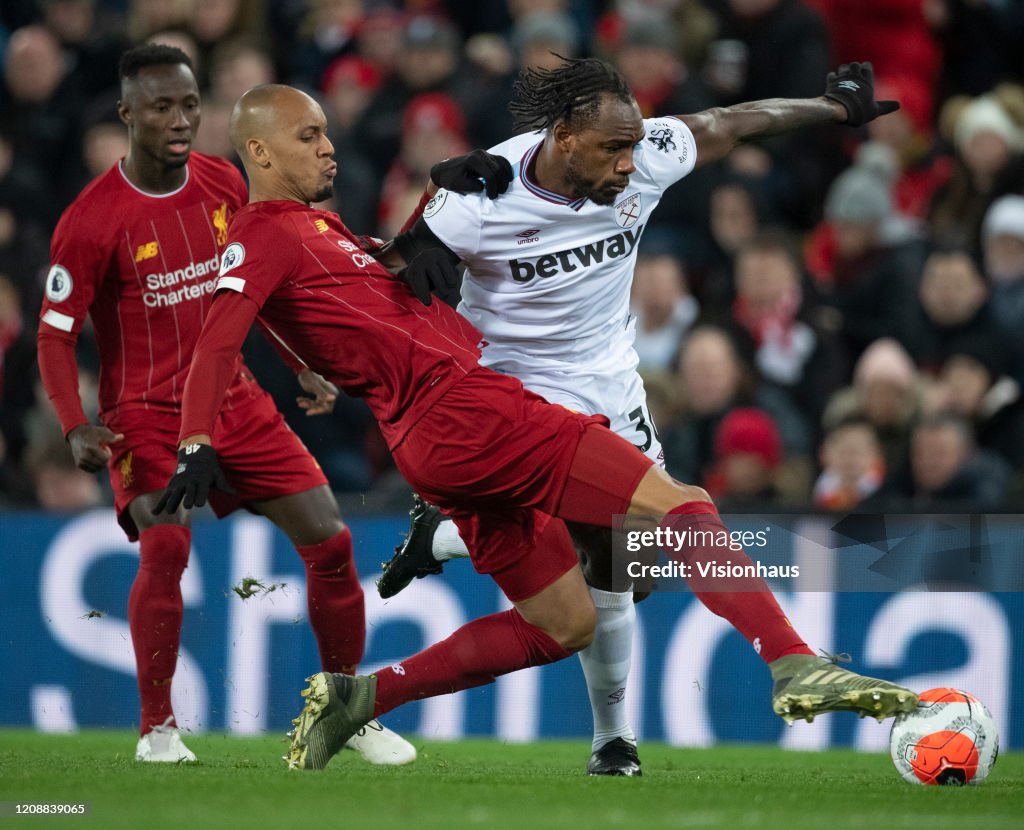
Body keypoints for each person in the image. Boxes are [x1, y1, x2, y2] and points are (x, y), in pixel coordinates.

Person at [155, 82, 918, 772]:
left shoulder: (314, 230)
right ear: (256, 150)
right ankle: (792, 662)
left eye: (326, 133)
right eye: (308, 137)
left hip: (433, 445)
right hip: (477, 411)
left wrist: (429, 201)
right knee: (684, 507)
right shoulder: (262, 235)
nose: (328, 148)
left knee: (565, 624)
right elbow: (219, 336)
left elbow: (378, 291)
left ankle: (363, 697)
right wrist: (196, 442)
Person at [379, 56, 885, 774]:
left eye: (634, 145)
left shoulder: (645, 155)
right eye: (612, 149)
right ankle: (616, 740)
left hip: (612, 389)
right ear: (562, 136)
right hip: (513, 402)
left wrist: (833, 107)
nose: (628, 163)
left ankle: (448, 540)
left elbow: (731, 123)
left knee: (629, 570)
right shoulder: (478, 191)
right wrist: (416, 242)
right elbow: (383, 279)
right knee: (653, 533)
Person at [35, 44, 415, 766]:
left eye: (188, 104)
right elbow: (55, 336)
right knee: (169, 542)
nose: (179, 120)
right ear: (127, 116)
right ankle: (157, 731)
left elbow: (257, 279)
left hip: (237, 402)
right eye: (160, 107)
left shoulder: (221, 183)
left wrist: (303, 363)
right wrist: (73, 423)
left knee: (332, 542)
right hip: (143, 414)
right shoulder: (90, 220)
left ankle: (344, 712)